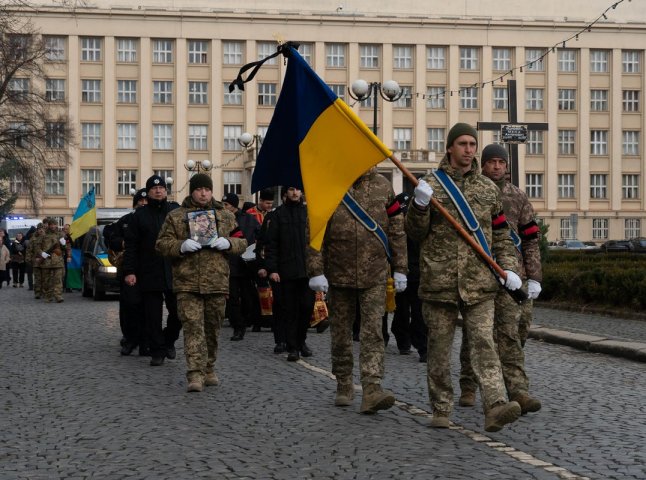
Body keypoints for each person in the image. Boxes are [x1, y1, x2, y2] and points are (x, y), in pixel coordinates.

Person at [405, 123, 523, 432]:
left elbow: (501, 235)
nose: (469, 149)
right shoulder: (431, 185)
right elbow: (414, 233)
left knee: (484, 343)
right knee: (440, 350)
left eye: (473, 144)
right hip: (439, 284)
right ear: (450, 148)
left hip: (479, 284)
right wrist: (418, 206)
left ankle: (495, 405)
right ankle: (441, 407)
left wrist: (509, 268)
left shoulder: (487, 189)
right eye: (462, 144)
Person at [308, 167, 408, 414]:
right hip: (338, 273)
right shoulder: (330, 185)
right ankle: (343, 382)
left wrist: (400, 267)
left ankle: (372, 388)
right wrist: (315, 269)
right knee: (341, 332)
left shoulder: (384, 187)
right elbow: (314, 230)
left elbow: (396, 228)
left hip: (374, 273)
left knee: (373, 331)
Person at [458, 144, 542, 415]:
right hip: (480, 274)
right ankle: (469, 385)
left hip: (512, 277)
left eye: (500, 162)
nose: (496, 166)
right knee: (477, 334)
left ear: (507, 166)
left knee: (510, 334)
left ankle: (518, 390)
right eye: (491, 162)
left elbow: (530, 240)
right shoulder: (471, 191)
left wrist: (534, 277)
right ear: (482, 165)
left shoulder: (518, 197)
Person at [156, 173, 247, 392]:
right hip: (187, 283)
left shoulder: (225, 216)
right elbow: (161, 244)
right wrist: (181, 246)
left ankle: (209, 367)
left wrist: (229, 243)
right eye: (199, 189)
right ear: (192, 191)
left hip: (216, 282)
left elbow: (242, 241)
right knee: (192, 328)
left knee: (212, 329)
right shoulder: (176, 216)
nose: (203, 193)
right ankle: (194, 374)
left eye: (207, 189)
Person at [123, 175, 181, 366]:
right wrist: (130, 271)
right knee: (152, 316)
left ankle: (169, 340)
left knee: (179, 312)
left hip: (174, 270)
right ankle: (157, 351)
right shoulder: (139, 216)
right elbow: (131, 246)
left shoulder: (176, 211)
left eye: (162, 188)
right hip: (149, 271)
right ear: (148, 193)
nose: (158, 191)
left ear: (166, 191)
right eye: (154, 189)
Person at [264, 186, 315, 362]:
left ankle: (302, 341)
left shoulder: (309, 213)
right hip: (286, 271)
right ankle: (293, 346)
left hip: (307, 270)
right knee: (290, 311)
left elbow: (317, 241)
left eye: (298, 190)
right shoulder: (278, 214)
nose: (295, 193)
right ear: (286, 193)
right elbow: (271, 244)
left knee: (307, 308)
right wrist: (273, 269)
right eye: (292, 189)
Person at [104, 188, 148, 356]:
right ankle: (129, 339)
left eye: (146, 201)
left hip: (149, 271)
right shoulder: (126, 220)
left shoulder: (156, 220)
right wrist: (122, 243)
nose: (143, 203)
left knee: (148, 308)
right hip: (128, 270)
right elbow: (109, 234)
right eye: (140, 201)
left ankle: (146, 341)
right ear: (135, 204)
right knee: (129, 306)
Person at [388, 193, 428, 363]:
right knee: (402, 310)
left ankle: (423, 347)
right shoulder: (400, 202)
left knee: (420, 312)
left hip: (420, 268)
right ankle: (402, 338)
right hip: (401, 268)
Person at [221, 192, 261, 341]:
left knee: (248, 296)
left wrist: (256, 250)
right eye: (223, 204)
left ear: (234, 206)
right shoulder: (222, 220)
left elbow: (261, 236)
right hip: (229, 265)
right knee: (232, 298)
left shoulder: (249, 220)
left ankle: (249, 319)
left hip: (246, 264)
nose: (224, 207)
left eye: (227, 205)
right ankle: (238, 326)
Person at [37, 218, 66, 303]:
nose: (53, 226)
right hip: (47, 261)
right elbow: (37, 247)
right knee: (47, 280)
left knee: (58, 279)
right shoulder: (43, 235)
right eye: (51, 225)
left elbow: (64, 248)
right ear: (48, 225)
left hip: (57, 260)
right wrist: (42, 253)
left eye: (54, 224)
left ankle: (58, 295)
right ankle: (48, 296)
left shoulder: (60, 235)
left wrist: (63, 244)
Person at [25, 223, 45, 298]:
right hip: (36, 260)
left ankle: (44, 292)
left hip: (46, 261)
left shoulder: (46, 237)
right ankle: (37, 292)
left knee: (45, 278)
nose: (41, 230)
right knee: (37, 278)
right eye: (39, 229)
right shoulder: (33, 238)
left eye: (42, 229)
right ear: (37, 229)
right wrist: (28, 259)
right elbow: (29, 250)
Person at [61, 224, 73, 292]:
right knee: (62, 272)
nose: (66, 230)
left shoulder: (69, 236)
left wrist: (69, 256)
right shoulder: (61, 236)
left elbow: (69, 246)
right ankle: (62, 286)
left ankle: (67, 286)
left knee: (67, 272)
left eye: (67, 229)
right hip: (60, 255)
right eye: (65, 229)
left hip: (66, 256)